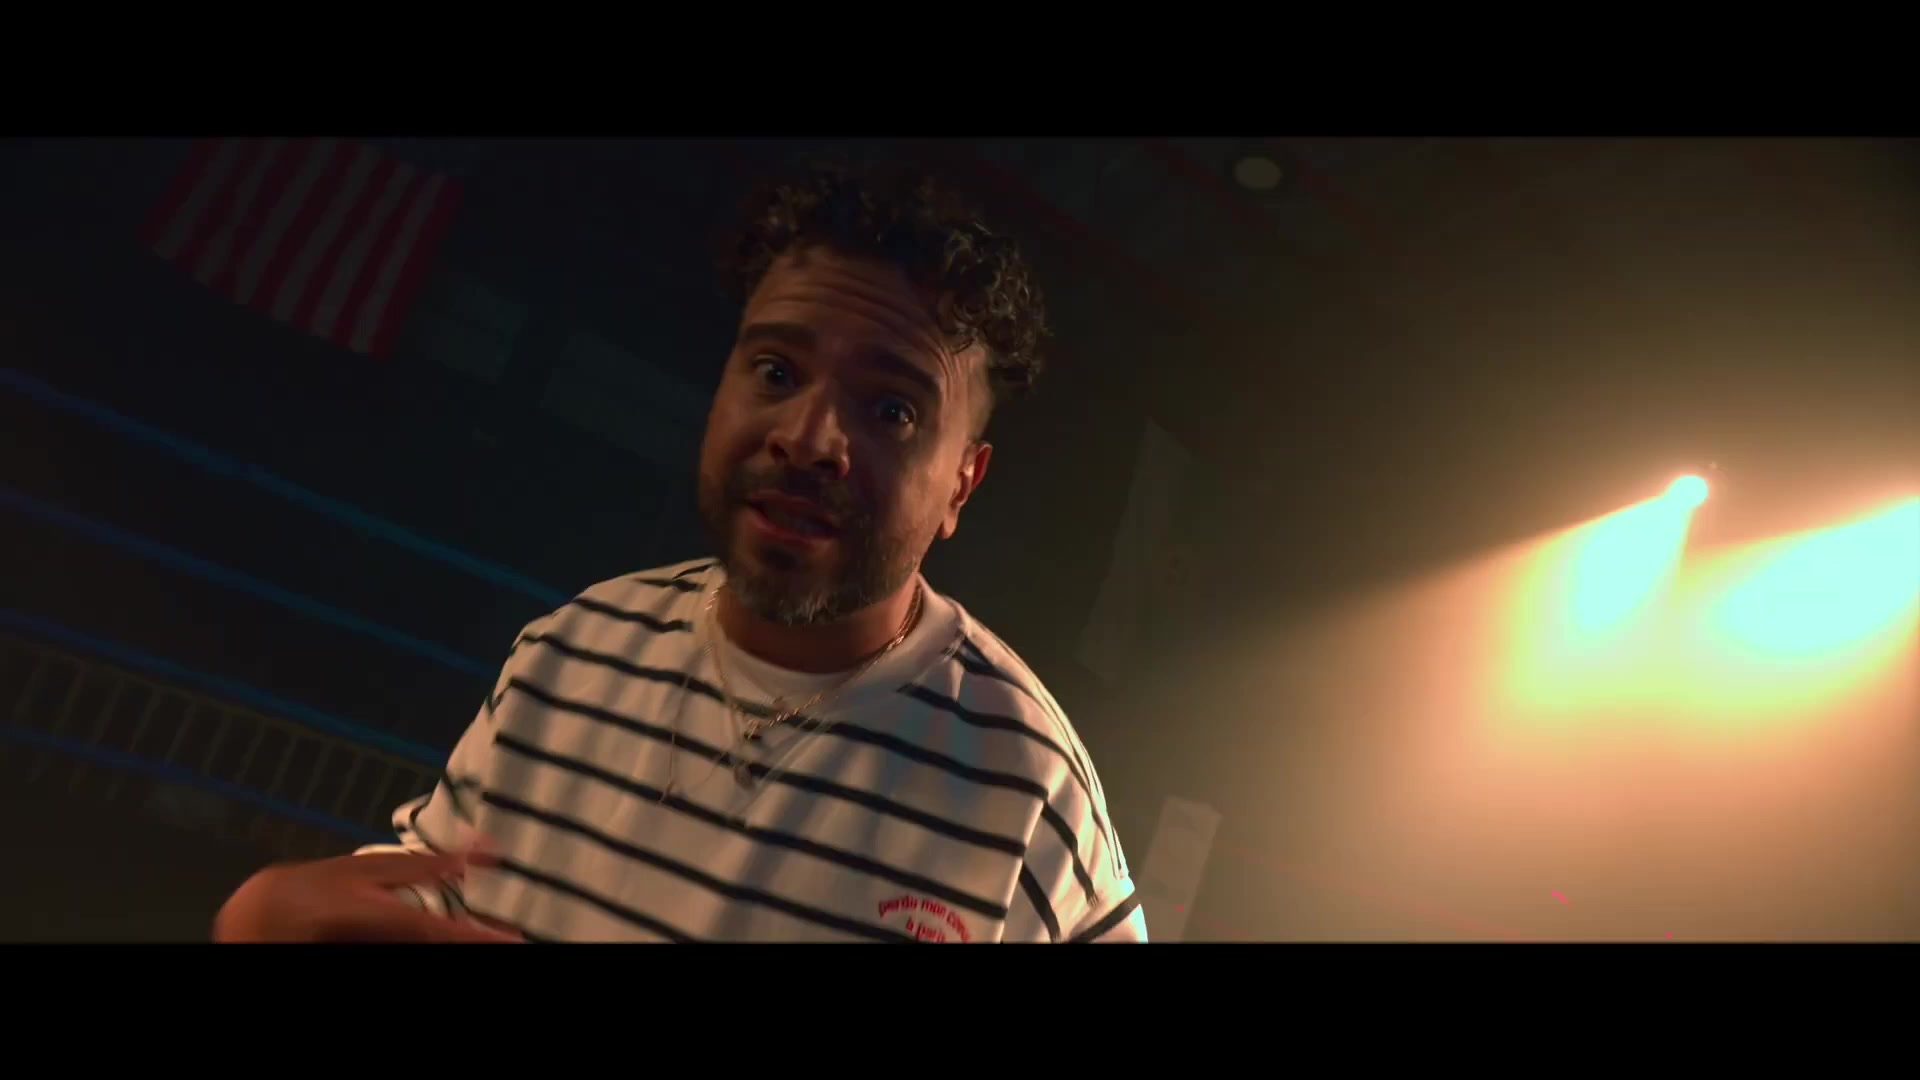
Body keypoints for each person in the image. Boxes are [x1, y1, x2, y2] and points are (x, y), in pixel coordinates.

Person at [213, 161, 1144, 943]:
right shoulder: (567, 653)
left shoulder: (1031, 792)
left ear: (961, 486)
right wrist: (276, 920)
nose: (808, 438)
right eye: (775, 371)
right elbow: (438, 895)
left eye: (892, 409)